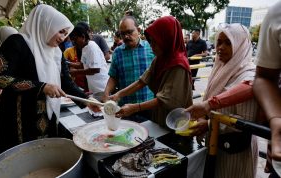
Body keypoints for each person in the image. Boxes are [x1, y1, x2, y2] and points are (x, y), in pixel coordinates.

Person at [0, 4, 89, 154]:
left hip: (48, 116)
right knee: (23, 161)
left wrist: (86, 101)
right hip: (20, 117)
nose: (63, 38)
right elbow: (0, 78)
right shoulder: (16, 43)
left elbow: (66, 83)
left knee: (46, 157)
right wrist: (41, 87)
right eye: (61, 32)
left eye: (66, 33)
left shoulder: (56, 53)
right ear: (46, 24)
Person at [186, 23, 258, 178]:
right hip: (216, 145)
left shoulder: (248, 74)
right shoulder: (221, 67)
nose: (220, 47)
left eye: (228, 43)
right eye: (219, 42)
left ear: (241, 46)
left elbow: (246, 123)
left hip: (236, 153)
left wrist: (209, 124)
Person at [111, 16, 192, 127]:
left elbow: (165, 99)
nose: (152, 46)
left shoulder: (178, 64)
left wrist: (135, 107)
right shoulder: (160, 59)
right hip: (160, 116)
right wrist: (118, 94)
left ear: (167, 39)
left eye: (155, 42)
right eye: (151, 41)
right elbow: (142, 81)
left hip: (175, 121)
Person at [103, 15, 154, 121]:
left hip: (148, 105)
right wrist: (106, 92)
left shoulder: (151, 48)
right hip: (125, 109)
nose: (126, 36)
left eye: (129, 32)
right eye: (123, 34)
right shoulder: (117, 52)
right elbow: (113, 77)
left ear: (138, 30)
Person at [253, 1, 281, 177]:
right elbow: (265, 77)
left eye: (227, 42)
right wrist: (276, 118)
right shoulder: (277, 12)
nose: (220, 48)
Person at [68, 25, 109, 93]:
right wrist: (67, 63)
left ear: (83, 37)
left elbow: (95, 70)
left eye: (75, 40)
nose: (74, 43)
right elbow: (82, 65)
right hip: (94, 87)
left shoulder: (92, 47)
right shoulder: (84, 48)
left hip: (102, 87)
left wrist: (75, 72)